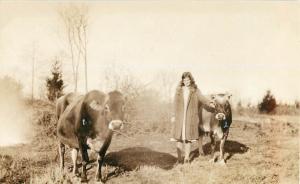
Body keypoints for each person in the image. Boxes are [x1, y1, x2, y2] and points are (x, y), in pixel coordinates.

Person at [171, 72, 215, 164]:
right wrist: (173, 115)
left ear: (191, 80)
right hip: (180, 116)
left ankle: (187, 158)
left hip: (190, 117)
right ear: (182, 80)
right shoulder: (179, 90)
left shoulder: (195, 90)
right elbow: (175, 103)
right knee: (179, 137)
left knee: (188, 138)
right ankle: (179, 159)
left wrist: (210, 103)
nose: (186, 81)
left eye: (188, 79)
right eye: (184, 79)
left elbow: (202, 98)